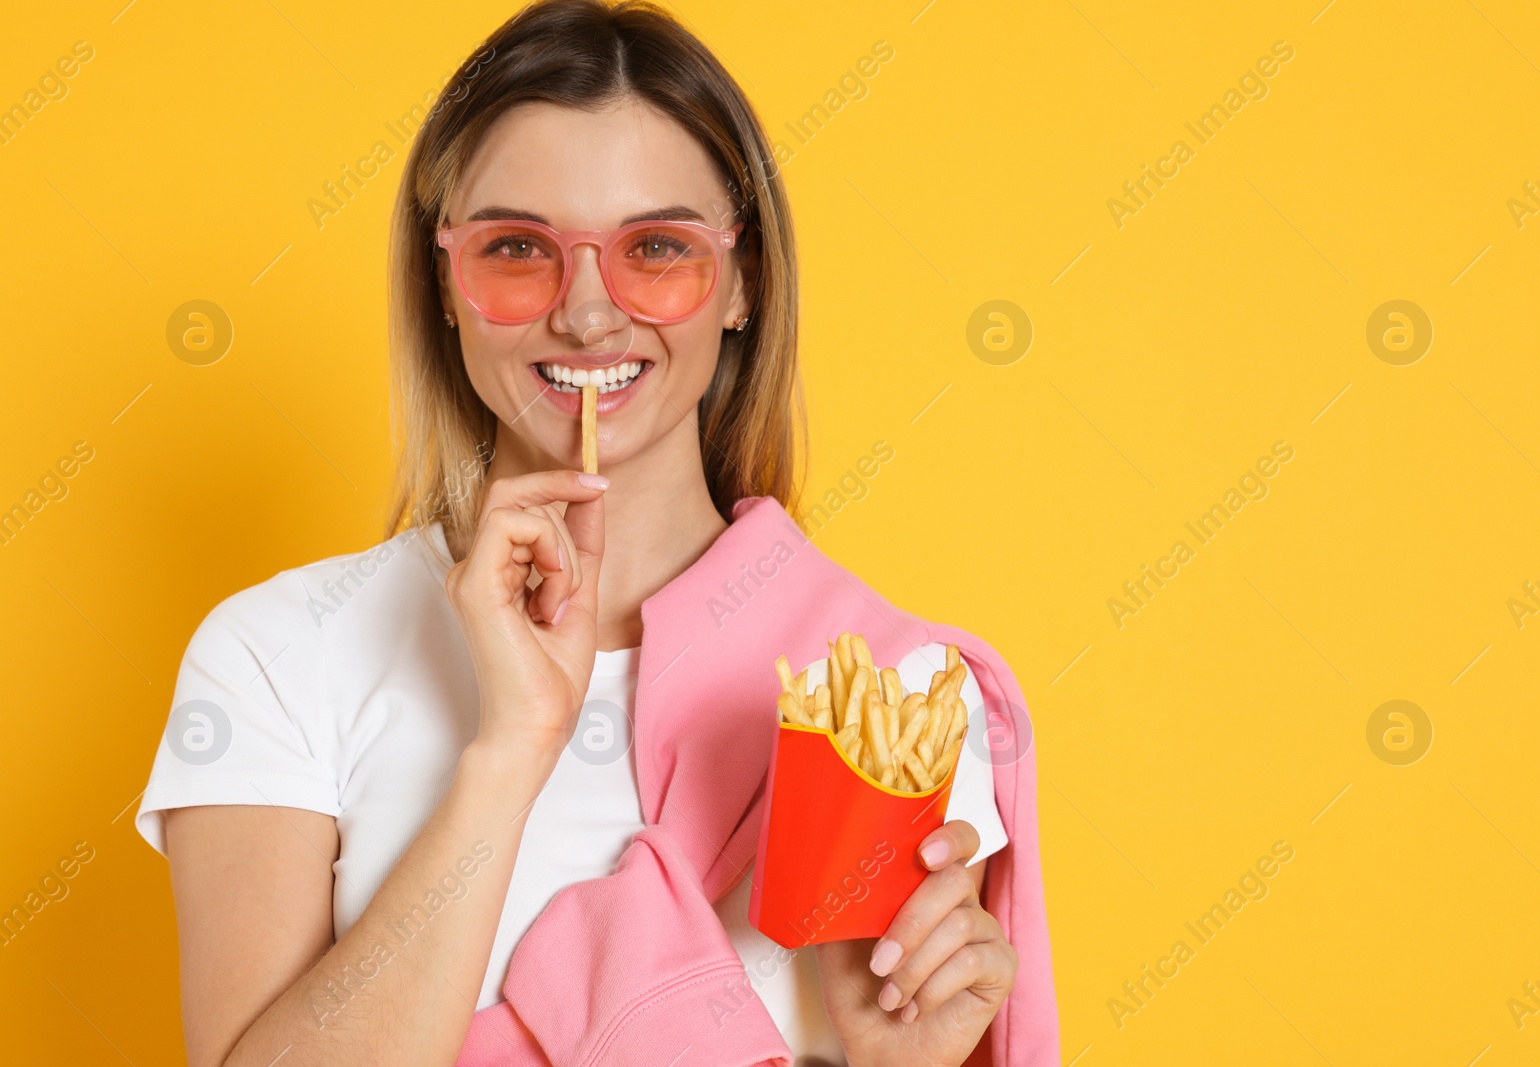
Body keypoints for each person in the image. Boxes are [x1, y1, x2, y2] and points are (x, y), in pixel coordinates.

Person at [135, 2, 1057, 1063]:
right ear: (445, 279)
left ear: (741, 278)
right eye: (517, 247)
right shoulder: (277, 652)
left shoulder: (891, 696)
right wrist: (511, 746)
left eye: (656, 248)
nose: (583, 312)